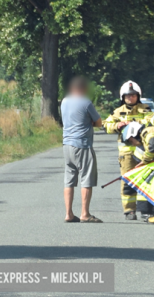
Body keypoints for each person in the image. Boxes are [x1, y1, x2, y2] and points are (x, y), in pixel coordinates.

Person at [103, 81, 154, 221]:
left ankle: (145, 210)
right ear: (123, 97)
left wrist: (139, 125)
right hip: (126, 154)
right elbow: (106, 125)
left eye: (133, 95)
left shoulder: (146, 109)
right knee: (127, 181)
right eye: (128, 95)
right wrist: (117, 125)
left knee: (145, 180)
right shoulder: (118, 112)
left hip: (143, 151)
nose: (131, 98)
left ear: (138, 96)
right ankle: (129, 210)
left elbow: (152, 123)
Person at [61, 76, 103, 223]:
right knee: (86, 178)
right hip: (82, 144)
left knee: (69, 180)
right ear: (83, 88)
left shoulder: (64, 101)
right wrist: (89, 122)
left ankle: (69, 213)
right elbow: (98, 122)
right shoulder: (86, 102)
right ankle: (85, 213)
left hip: (67, 144)